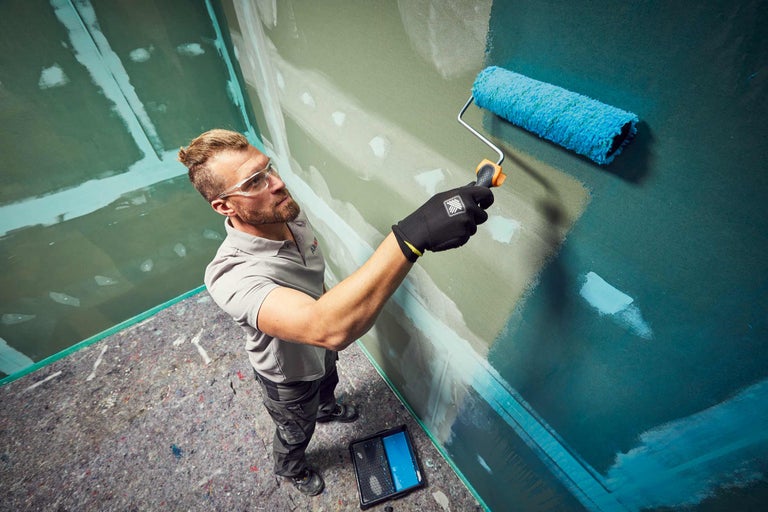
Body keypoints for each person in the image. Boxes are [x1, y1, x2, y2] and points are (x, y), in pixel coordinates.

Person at [178, 129, 493, 496]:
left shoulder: (287, 215)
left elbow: (320, 303)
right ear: (224, 206)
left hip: (322, 352)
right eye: (254, 182)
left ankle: (326, 408)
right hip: (290, 375)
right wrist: (413, 234)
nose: (277, 183)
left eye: (269, 168)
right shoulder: (230, 276)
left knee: (328, 384)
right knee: (296, 430)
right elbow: (326, 327)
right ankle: (291, 467)